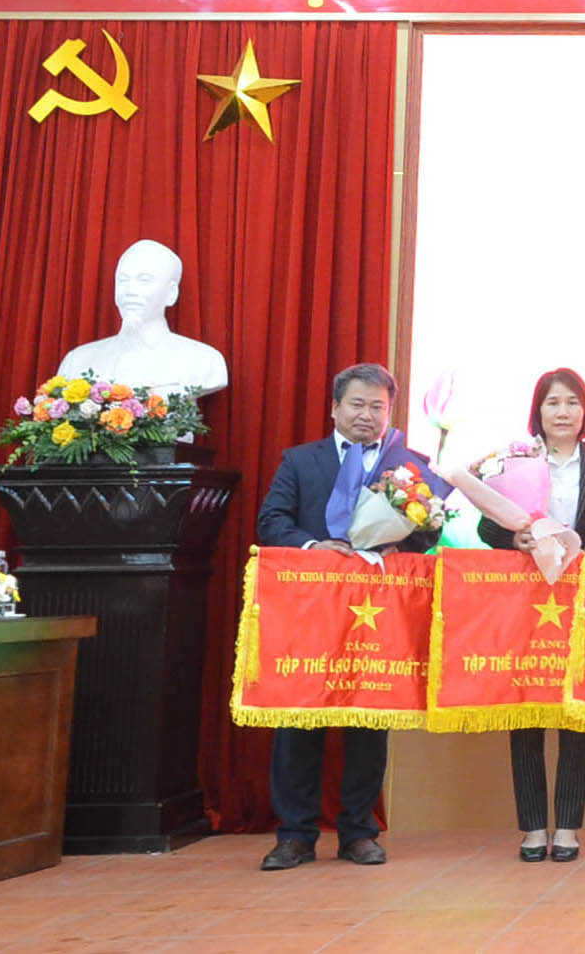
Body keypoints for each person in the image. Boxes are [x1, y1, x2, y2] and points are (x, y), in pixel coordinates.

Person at [255, 363, 445, 871]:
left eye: (378, 406)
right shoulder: (301, 460)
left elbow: (427, 535)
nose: (367, 414)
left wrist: (411, 534)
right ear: (335, 408)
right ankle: (294, 835)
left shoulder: (410, 464)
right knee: (301, 719)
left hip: (377, 614)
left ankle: (358, 832)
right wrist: (313, 546)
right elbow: (272, 521)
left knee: (367, 720)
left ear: (390, 412)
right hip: (310, 611)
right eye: (357, 404)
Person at [473, 367, 585, 865]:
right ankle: (532, 828)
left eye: (572, 402)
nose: (563, 412)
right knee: (525, 709)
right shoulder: (515, 459)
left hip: (582, 597)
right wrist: (516, 538)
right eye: (553, 403)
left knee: (575, 711)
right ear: (537, 411)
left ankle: (566, 827)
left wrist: (583, 550)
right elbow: (486, 526)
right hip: (525, 600)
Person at [56, 238, 229, 395]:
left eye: (144, 280)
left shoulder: (204, 361)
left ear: (171, 293)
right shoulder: (77, 361)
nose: (130, 291)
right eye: (123, 280)